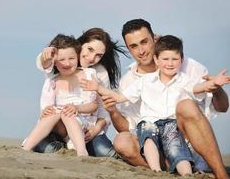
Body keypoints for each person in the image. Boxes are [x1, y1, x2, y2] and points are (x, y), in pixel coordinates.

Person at [81, 35, 230, 176]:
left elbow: (198, 87)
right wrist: (98, 88)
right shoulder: (144, 81)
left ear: (181, 59)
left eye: (174, 59)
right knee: (148, 139)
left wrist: (214, 82)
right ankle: (156, 171)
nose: (170, 63)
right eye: (165, 59)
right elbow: (119, 97)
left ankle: (187, 175)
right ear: (156, 60)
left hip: (171, 125)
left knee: (176, 148)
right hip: (149, 122)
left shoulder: (184, 80)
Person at [34, 28, 127, 157]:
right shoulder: (63, 63)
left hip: (87, 128)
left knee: (106, 153)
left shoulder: (99, 73)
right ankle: (64, 148)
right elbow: (44, 63)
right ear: (81, 44)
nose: (92, 58)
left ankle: (77, 148)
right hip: (58, 127)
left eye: (99, 55)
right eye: (90, 49)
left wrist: (96, 129)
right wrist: (47, 53)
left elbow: (102, 109)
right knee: (42, 145)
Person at [22, 34, 99, 156]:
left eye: (71, 58)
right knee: (54, 112)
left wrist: (77, 108)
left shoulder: (88, 74)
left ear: (78, 56)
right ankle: (26, 147)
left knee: (66, 113)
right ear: (54, 62)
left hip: (81, 120)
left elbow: (94, 105)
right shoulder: (53, 80)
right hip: (58, 126)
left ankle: (81, 151)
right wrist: (46, 110)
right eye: (61, 60)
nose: (67, 63)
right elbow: (47, 105)